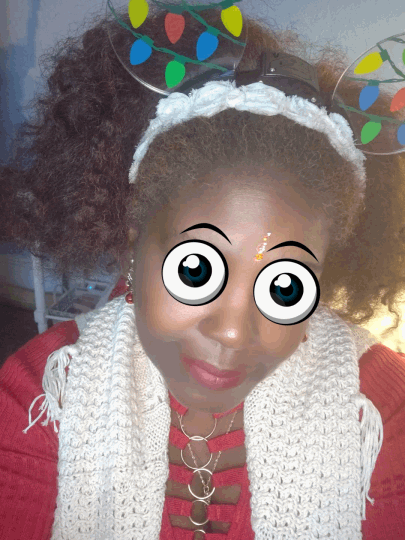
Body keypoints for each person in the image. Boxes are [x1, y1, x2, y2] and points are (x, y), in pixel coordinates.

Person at [0, 4, 405, 540]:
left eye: (284, 287)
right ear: (132, 239)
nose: (233, 332)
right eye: (196, 270)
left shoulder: (381, 409)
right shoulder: (42, 399)